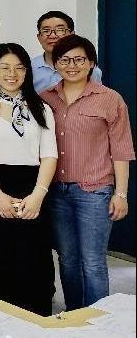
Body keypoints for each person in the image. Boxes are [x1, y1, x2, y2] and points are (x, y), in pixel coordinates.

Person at [40, 35, 134, 310]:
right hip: (56, 192)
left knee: (93, 261)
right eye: (65, 60)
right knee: (67, 259)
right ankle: (75, 314)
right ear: (55, 64)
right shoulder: (45, 99)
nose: (72, 66)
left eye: (79, 59)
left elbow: (121, 150)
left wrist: (121, 194)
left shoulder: (110, 99)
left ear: (91, 63)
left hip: (94, 191)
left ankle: (99, 319)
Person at [0, 43, 57, 315]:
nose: (12, 74)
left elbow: (49, 155)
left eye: (19, 68)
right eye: (5, 67)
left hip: (33, 187)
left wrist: (38, 195)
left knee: (32, 258)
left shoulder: (41, 108)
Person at [31, 11, 102, 93]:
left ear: (72, 34)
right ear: (39, 37)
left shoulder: (89, 69)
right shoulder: (29, 68)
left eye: (60, 30)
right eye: (46, 31)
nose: (52, 35)